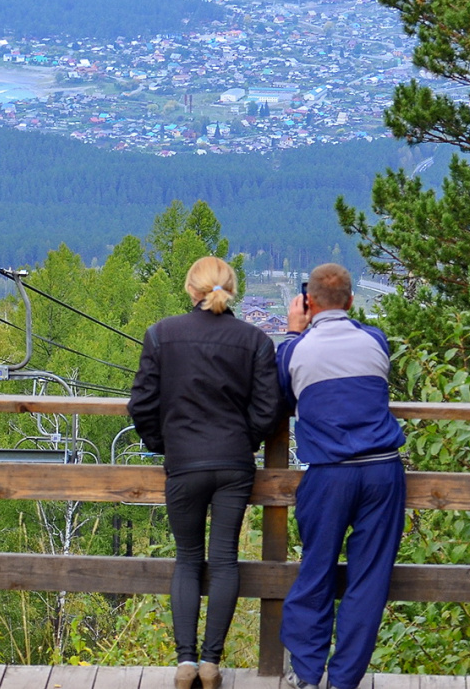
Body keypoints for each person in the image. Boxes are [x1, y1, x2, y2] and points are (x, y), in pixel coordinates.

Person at [128, 256, 280, 689]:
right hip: (234, 464)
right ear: (232, 289)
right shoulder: (254, 341)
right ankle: (213, 662)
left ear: (190, 290)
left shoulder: (161, 335)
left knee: (188, 560)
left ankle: (185, 662)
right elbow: (268, 408)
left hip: (183, 463)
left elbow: (141, 404)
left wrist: (165, 443)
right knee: (226, 559)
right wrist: (245, 440)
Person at [276, 263, 407, 689]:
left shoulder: (295, 350)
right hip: (383, 471)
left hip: (329, 474)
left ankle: (308, 673)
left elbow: (283, 395)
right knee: (369, 579)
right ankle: (344, 679)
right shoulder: (375, 340)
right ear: (351, 301)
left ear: (308, 301)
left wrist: (295, 331)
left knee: (316, 572)